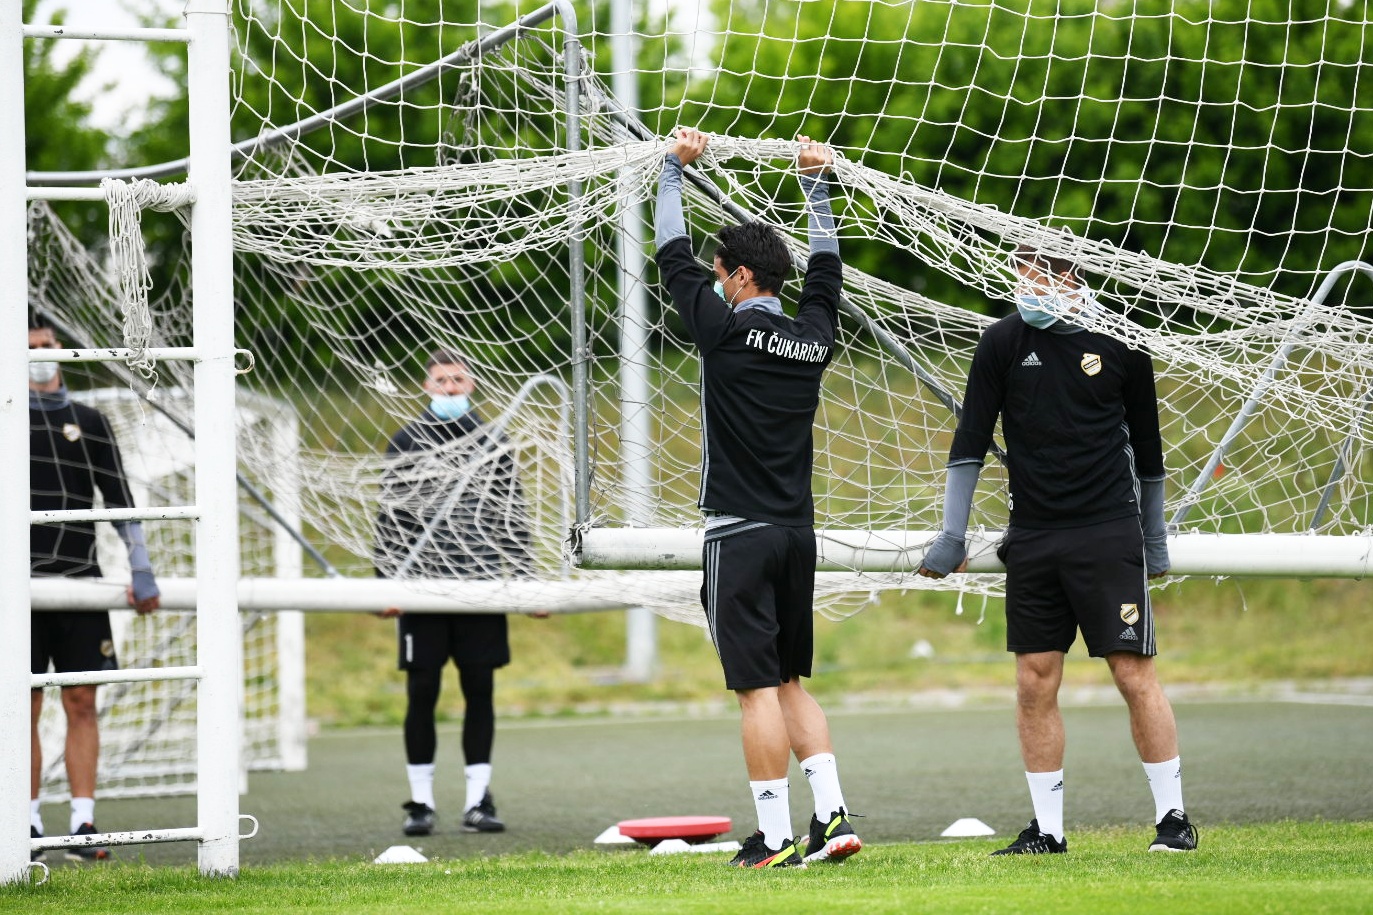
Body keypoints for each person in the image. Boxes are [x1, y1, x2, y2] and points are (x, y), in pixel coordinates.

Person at [918, 246, 1199, 854]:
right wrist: (952, 535)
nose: (1028, 289)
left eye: (1039, 277)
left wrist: (1154, 541)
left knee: (1133, 673)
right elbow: (969, 441)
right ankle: (1048, 830)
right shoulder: (1001, 343)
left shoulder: (1121, 340)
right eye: (1021, 277)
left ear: (1072, 279)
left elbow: (1149, 454)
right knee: (1033, 681)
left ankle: (1174, 821)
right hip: (1035, 538)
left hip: (1108, 532)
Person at [653, 128, 861, 869]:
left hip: (737, 534)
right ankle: (830, 813)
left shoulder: (721, 332)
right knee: (787, 679)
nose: (710, 281)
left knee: (753, 691)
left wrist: (672, 172)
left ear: (739, 277)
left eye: (719, 273)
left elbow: (669, 254)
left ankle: (773, 835)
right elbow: (829, 270)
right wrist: (815, 182)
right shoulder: (813, 334)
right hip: (796, 534)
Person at [373, 350, 538, 837]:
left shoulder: (493, 440)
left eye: (458, 380)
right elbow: (390, 521)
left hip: (481, 587)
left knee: (479, 690)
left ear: (471, 386)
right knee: (422, 690)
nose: (449, 388)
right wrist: (385, 585)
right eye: (441, 380)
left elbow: (513, 518)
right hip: (422, 590)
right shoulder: (406, 441)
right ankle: (420, 803)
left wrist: (527, 583)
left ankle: (477, 800)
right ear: (427, 387)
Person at [29, 324, 162, 863]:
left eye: (45, 346)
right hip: (18, 589)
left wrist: (141, 565)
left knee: (82, 702)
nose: (38, 355)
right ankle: (27, 825)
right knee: (23, 703)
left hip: (80, 580)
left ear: (61, 350)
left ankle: (84, 823)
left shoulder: (90, 420)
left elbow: (119, 496)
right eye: (28, 346)